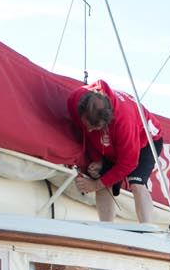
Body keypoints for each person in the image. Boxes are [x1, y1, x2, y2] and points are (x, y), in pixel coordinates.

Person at [68, 79, 162, 224]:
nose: (89, 130)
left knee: (136, 182)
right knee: (100, 175)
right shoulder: (74, 100)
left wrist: (94, 185)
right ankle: (106, 227)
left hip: (146, 139)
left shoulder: (124, 122)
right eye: (87, 124)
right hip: (114, 144)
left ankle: (146, 228)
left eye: (95, 128)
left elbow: (129, 164)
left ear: (108, 122)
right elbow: (88, 135)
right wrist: (98, 160)